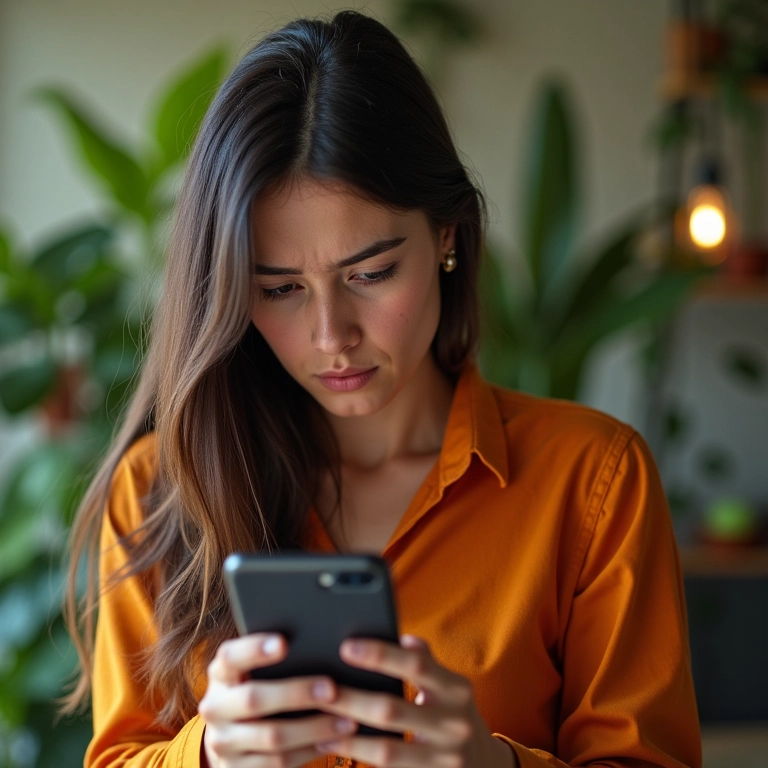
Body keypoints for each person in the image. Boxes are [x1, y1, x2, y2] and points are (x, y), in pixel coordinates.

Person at [64, 10, 702, 768]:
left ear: (448, 238)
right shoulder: (160, 494)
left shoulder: (593, 484)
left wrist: (493, 765)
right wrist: (209, 756)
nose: (332, 335)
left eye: (369, 274)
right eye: (280, 289)